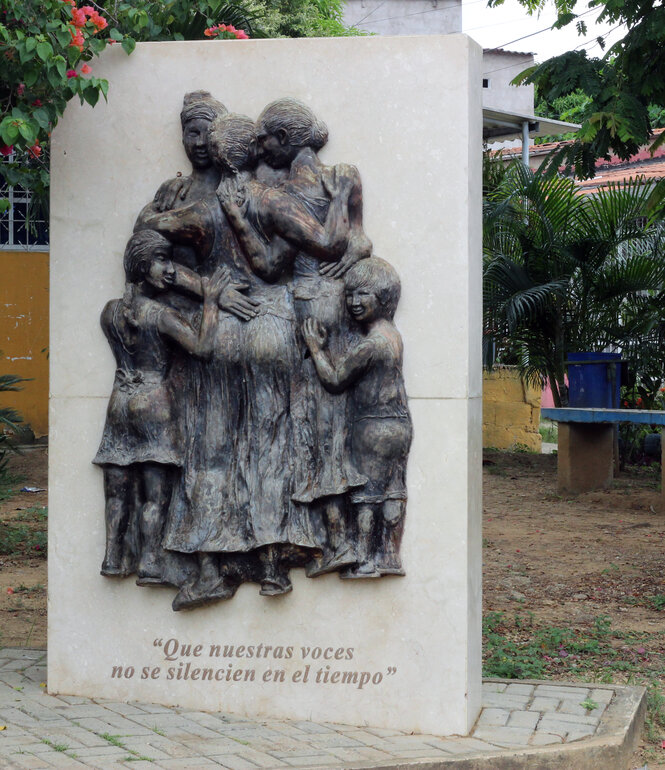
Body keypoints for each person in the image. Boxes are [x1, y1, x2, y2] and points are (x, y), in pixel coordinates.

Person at [253, 98, 373, 576]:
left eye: (265, 139)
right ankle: (328, 539)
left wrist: (352, 244)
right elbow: (349, 240)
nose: (260, 148)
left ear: (285, 139)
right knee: (321, 425)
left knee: (317, 425)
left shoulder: (288, 194)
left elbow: (348, 242)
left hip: (315, 310)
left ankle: (338, 541)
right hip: (324, 306)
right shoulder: (331, 180)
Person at [93, 230, 229, 584]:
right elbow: (203, 348)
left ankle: (113, 559)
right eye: (162, 260)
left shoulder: (109, 312)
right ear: (141, 266)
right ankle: (150, 562)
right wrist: (210, 302)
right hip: (154, 404)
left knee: (117, 491)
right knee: (155, 494)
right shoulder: (162, 316)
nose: (170, 269)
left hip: (119, 402)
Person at [302, 257, 412, 578]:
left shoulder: (371, 345)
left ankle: (364, 560)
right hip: (400, 425)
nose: (353, 302)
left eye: (363, 294)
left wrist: (316, 349)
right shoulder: (393, 336)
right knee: (394, 488)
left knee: (367, 495)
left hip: (372, 426)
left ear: (384, 298)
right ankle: (389, 556)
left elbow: (335, 380)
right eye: (350, 294)